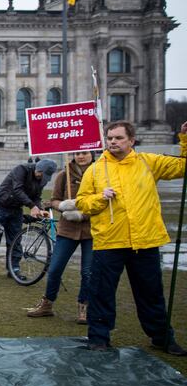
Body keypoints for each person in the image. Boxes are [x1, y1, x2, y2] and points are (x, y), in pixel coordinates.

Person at [76, 120, 187, 355]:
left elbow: (182, 167)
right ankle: (98, 338)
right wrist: (100, 198)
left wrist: (185, 140)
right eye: (110, 138)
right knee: (101, 293)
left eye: (118, 138)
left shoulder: (149, 162)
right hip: (109, 241)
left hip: (144, 241)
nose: (113, 142)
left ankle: (161, 337)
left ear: (131, 140)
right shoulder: (95, 169)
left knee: (151, 293)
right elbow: (82, 203)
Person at [26, 151, 95, 323]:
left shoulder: (100, 173)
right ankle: (47, 304)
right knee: (55, 268)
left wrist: (83, 213)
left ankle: (84, 307)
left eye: (85, 153)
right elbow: (55, 199)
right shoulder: (64, 174)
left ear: (92, 154)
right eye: (77, 153)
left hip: (91, 231)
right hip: (67, 230)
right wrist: (64, 206)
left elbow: (104, 201)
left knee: (88, 272)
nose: (81, 156)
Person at [0, 158, 57, 280]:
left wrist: (39, 208)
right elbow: (17, 189)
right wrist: (31, 206)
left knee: (15, 240)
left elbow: (36, 196)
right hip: (0, 206)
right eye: (41, 175)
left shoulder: (42, 180)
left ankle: (13, 269)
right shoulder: (21, 170)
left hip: (16, 209)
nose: (41, 179)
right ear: (38, 168)